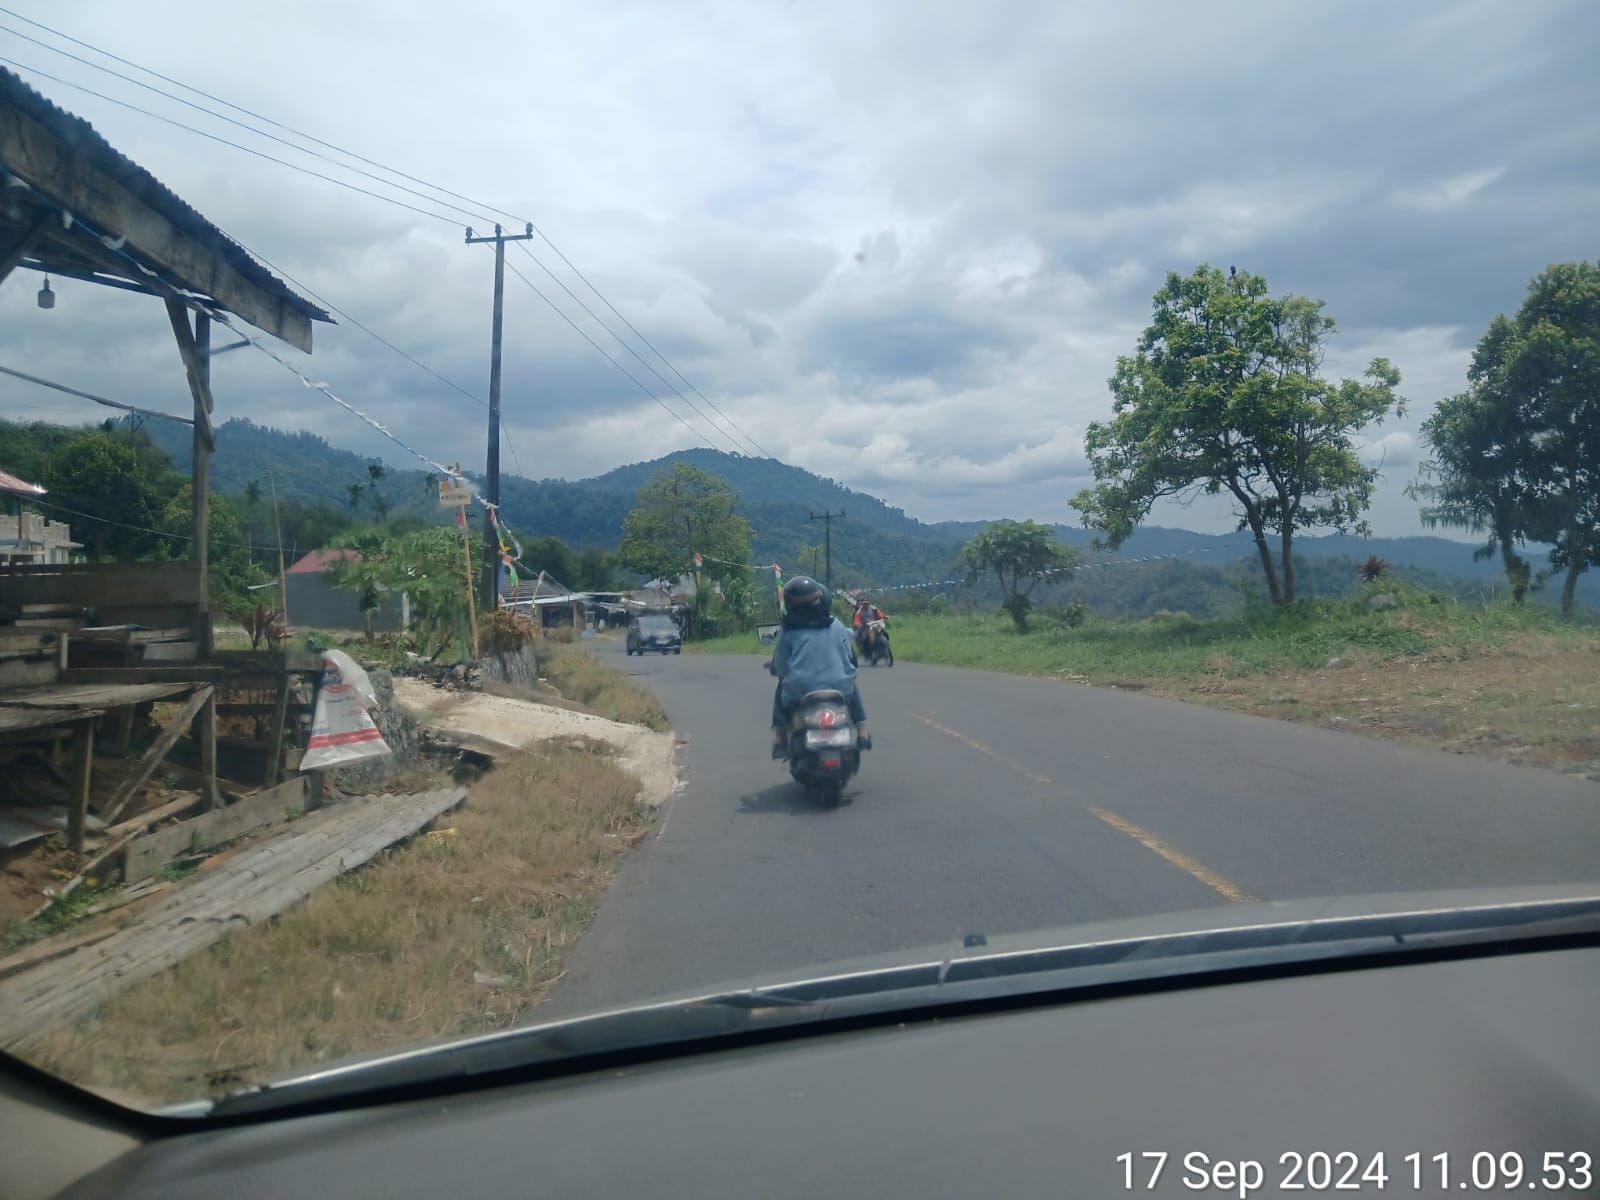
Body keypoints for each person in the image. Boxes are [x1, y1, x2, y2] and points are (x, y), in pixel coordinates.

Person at [770, 576, 871, 759]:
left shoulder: (788, 630)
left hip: (801, 689)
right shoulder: (836, 625)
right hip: (839, 686)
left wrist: (781, 672)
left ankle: (779, 738)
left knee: (781, 689)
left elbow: (781, 665)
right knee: (852, 688)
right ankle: (863, 733)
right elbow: (848, 655)